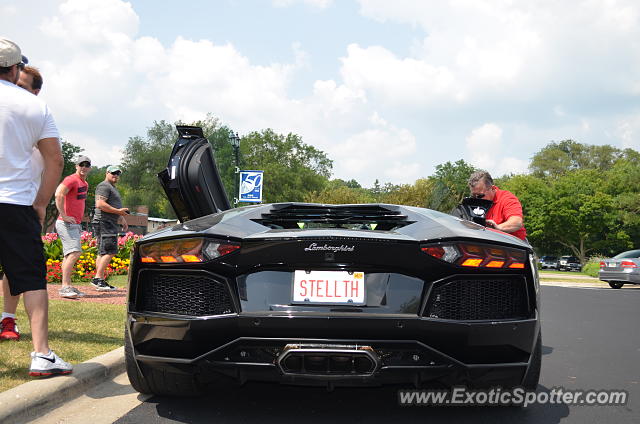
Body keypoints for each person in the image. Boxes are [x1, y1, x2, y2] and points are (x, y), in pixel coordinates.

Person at [0, 37, 72, 375]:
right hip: (15, 202)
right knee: (30, 279)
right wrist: (41, 204)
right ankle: (41, 354)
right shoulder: (33, 105)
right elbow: (55, 161)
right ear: (15, 69)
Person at [1, 65, 44, 339]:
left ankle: (7, 320)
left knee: (17, 269)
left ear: (35, 92)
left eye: (24, 87)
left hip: (21, 204)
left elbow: (53, 160)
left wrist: (40, 203)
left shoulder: (35, 118)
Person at [54, 155, 92, 298]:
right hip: (66, 223)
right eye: (81, 164)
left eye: (87, 165)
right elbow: (58, 194)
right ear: (76, 166)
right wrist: (63, 215)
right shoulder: (71, 179)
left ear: (90, 168)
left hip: (74, 223)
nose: (84, 167)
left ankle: (67, 285)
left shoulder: (84, 183)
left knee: (69, 255)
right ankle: (65, 287)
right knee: (75, 253)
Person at [91, 165, 128, 291]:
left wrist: (121, 218)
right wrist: (118, 211)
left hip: (107, 221)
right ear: (107, 173)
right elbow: (100, 204)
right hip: (104, 222)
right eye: (113, 173)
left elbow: (112, 207)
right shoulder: (104, 186)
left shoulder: (112, 188)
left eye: (118, 173)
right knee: (110, 251)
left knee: (103, 252)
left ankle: (100, 280)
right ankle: (97, 279)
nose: (115, 175)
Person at [467, 170, 527, 241]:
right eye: (474, 196)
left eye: (480, 196)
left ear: (492, 188)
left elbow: (517, 222)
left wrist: (498, 228)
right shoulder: (474, 201)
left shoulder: (507, 198)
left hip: (515, 245)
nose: (476, 199)